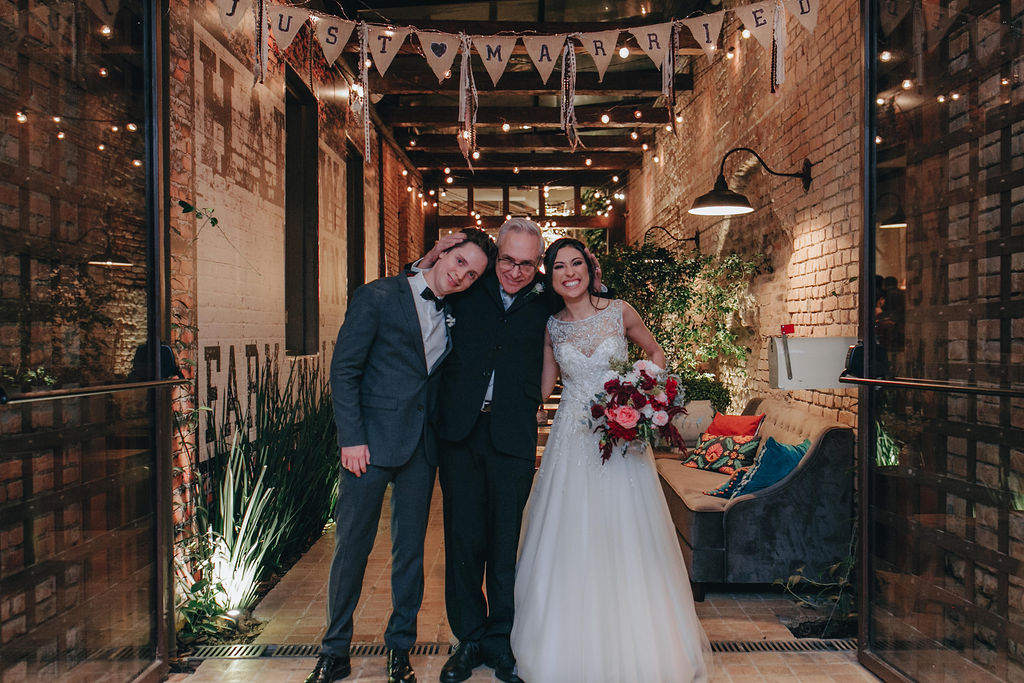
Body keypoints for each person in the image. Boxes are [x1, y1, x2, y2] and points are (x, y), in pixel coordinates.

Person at [510, 238, 711, 683]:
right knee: (571, 531)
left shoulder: (619, 311)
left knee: (625, 530)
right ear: (550, 276)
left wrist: (643, 393)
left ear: (589, 268)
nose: (569, 273)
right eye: (558, 266)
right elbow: (544, 387)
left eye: (575, 263)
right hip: (571, 440)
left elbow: (654, 353)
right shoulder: (551, 327)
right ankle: (564, 646)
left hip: (621, 442)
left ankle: (641, 644)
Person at [413, 219, 603, 683]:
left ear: (539, 265)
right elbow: (419, 288)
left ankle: (501, 641)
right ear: (496, 255)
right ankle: (468, 639)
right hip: (460, 431)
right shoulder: (468, 284)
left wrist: (594, 276)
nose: (516, 272)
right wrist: (428, 258)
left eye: (527, 264)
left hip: (513, 433)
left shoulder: (547, 297)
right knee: (463, 540)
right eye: (508, 261)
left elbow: (589, 307)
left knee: (504, 542)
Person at [305, 229, 496, 683]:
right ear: (442, 251)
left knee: (410, 553)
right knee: (352, 548)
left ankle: (400, 648)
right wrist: (351, 438)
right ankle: (334, 652)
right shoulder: (378, 295)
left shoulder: (456, 310)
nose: (462, 276)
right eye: (459, 262)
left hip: (420, 448)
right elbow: (345, 370)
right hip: (367, 446)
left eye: (472, 274)